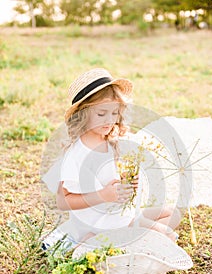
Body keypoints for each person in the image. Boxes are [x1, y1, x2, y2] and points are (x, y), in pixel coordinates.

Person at [42, 68, 181, 251]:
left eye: (115, 113)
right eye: (101, 114)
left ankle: (114, 241)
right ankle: (93, 240)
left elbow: (112, 178)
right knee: (167, 236)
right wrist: (103, 195)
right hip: (99, 221)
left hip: (119, 214)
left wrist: (129, 182)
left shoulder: (109, 140)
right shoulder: (77, 154)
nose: (109, 120)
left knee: (173, 214)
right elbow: (62, 202)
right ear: (83, 114)